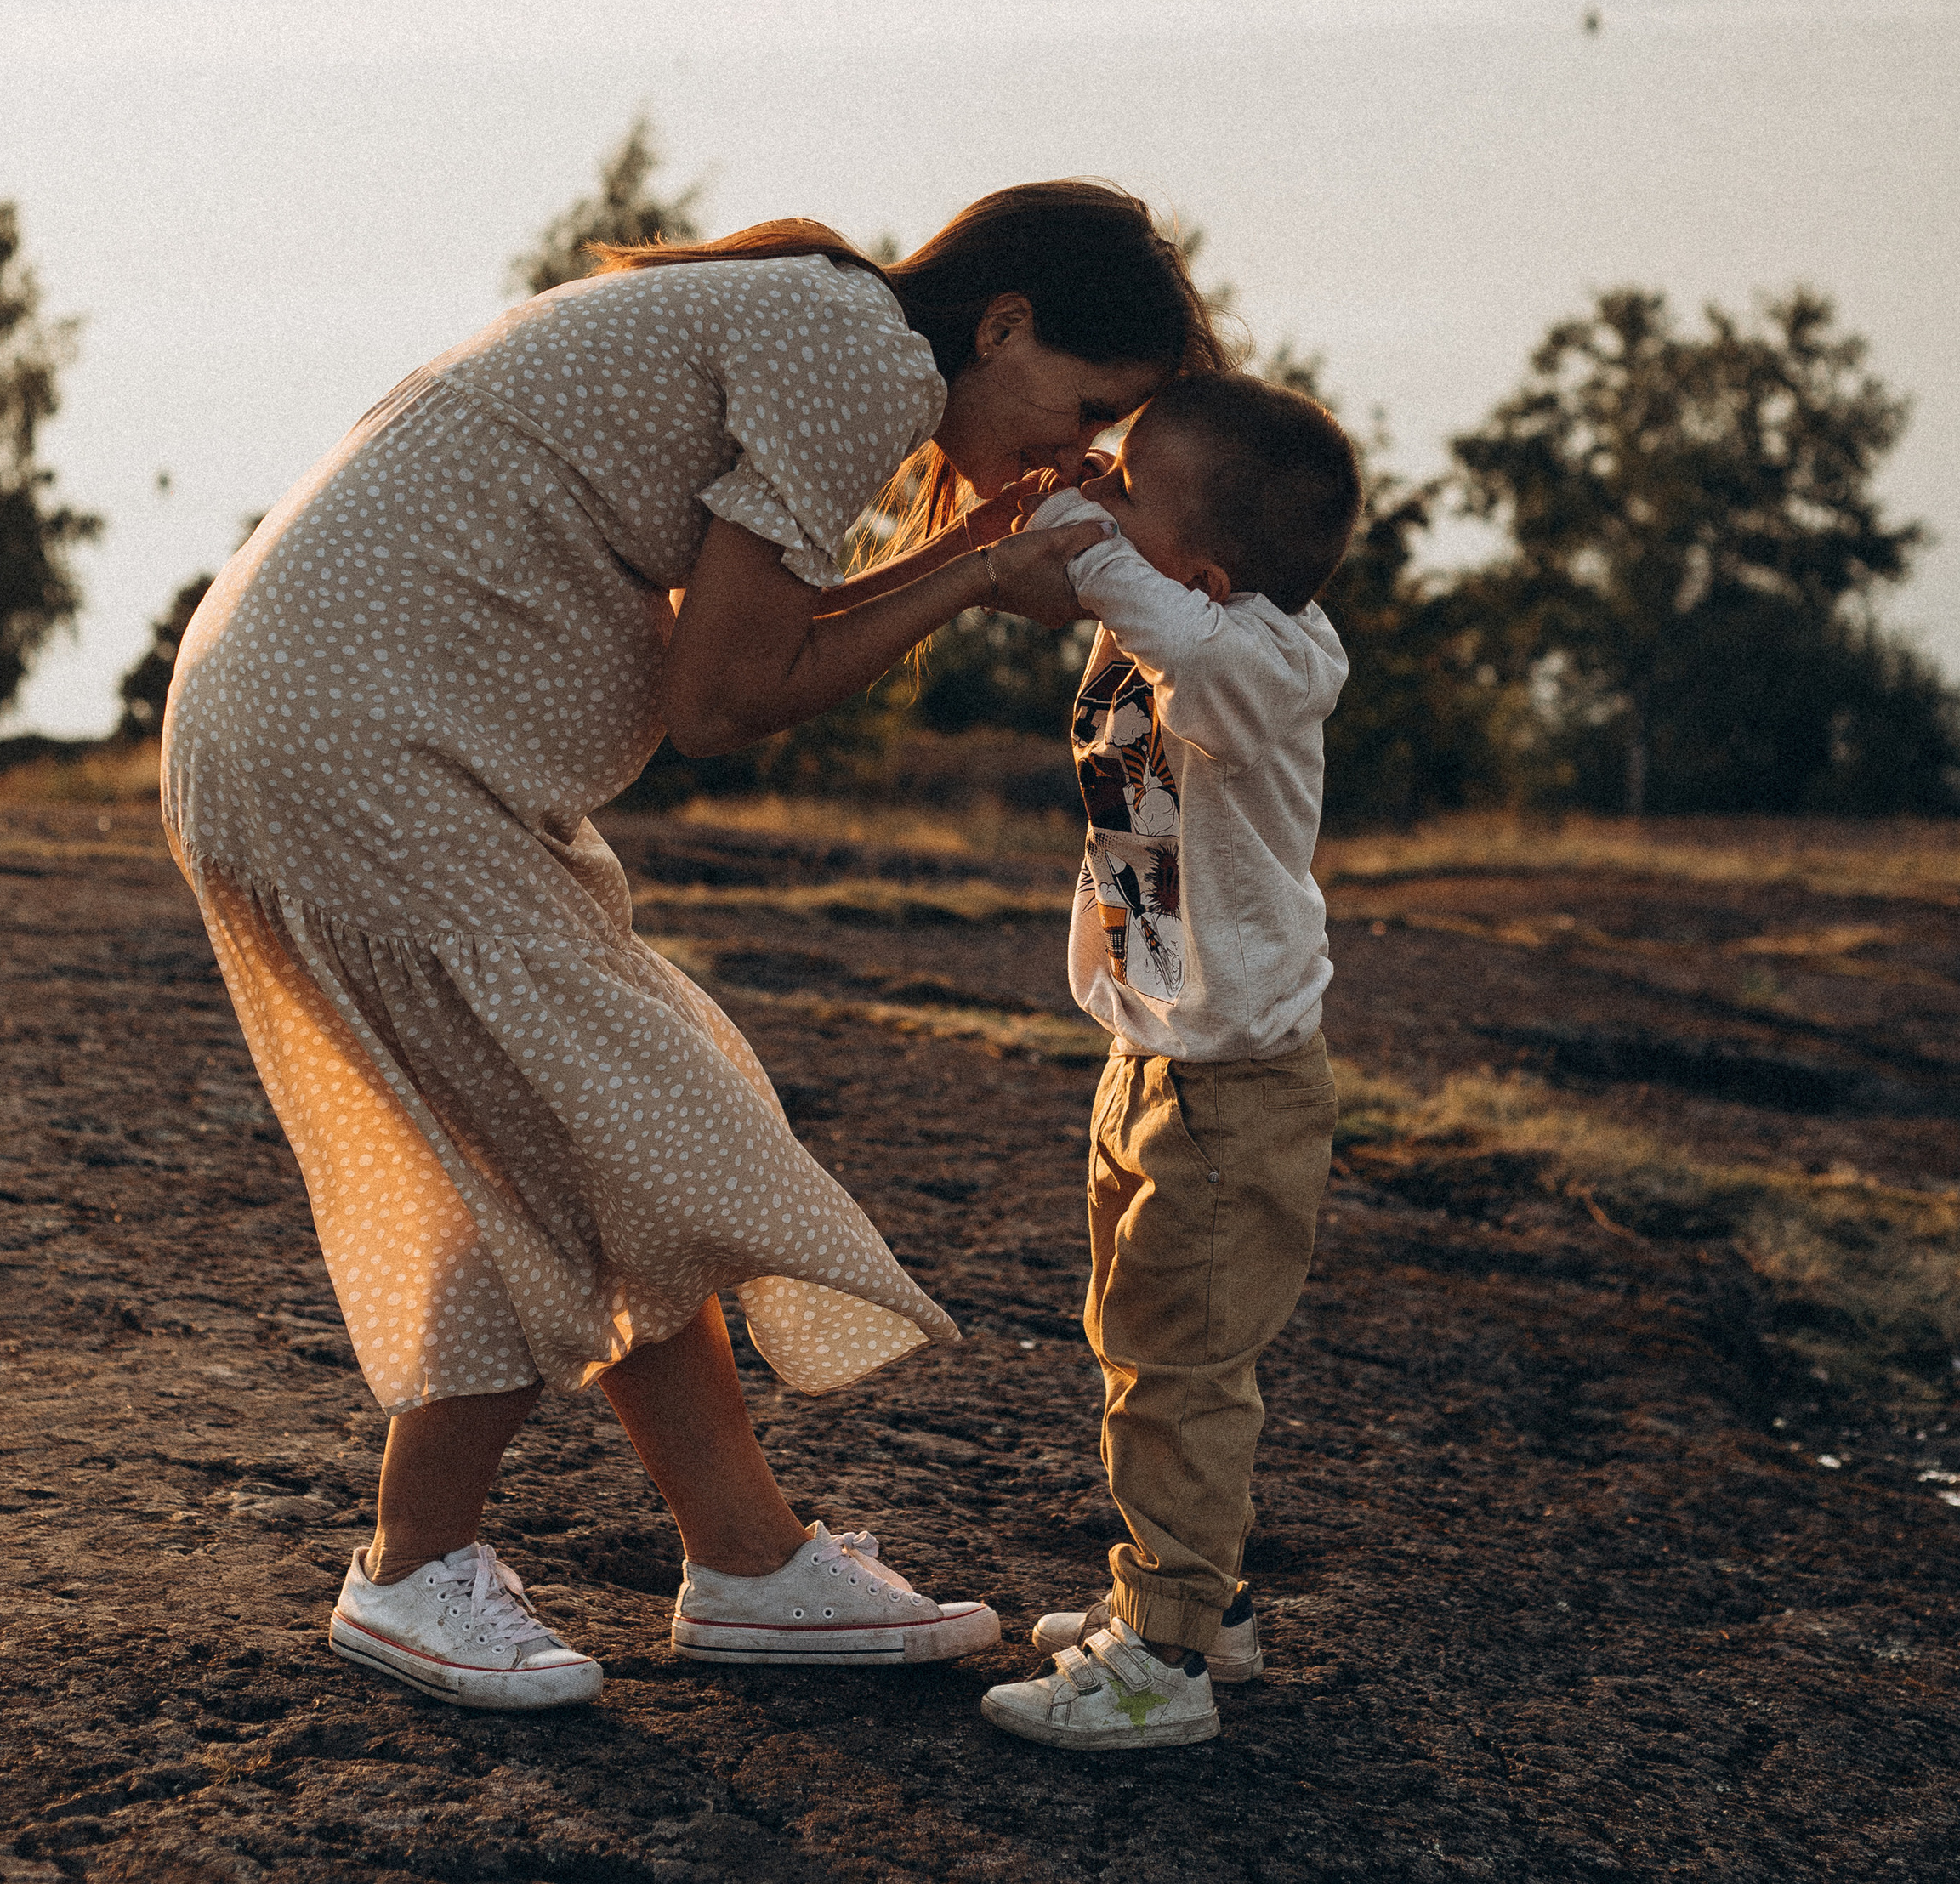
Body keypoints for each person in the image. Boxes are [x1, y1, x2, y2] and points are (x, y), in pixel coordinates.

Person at [161, 182, 1224, 1712]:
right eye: (1086, 408)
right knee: (595, 1130)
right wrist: (983, 569)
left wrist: (979, 551)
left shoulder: (825, 323)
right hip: (361, 747)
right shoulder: (859, 352)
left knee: (609, 1135)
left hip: (342, 728)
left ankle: (744, 1556)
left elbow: (741, 643)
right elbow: (723, 702)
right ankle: (411, 1568)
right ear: (1003, 325)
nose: (1081, 452)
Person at [975, 372, 1362, 1754]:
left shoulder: (1266, 663)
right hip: (1152, 1060)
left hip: (1229, 1093)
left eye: (1129, 487)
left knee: (1181, 1369)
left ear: (1201, 572)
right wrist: (1074, 500)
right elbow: (1124, 601)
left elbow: (1173, 632)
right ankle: (1204, 1598)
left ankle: (1166, 1665)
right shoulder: (1179, 617)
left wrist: (1077, 536)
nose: (1100, 490)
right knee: (1138, 1345)